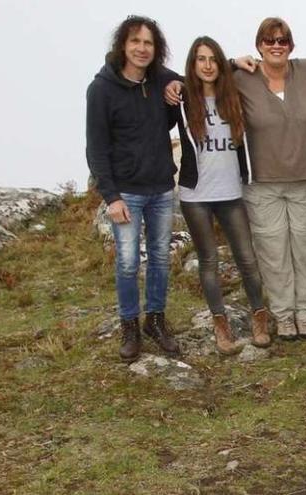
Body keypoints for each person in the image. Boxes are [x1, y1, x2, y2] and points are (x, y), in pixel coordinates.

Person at [169, 18, 306, 341]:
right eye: (269, 40)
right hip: (262, 183)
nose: (276, 45)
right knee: (273, 254)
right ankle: (284, 317)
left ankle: (305, 313)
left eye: (282, 40)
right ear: (259, 45)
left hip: (303, 180)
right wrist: (227, 62)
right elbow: (205, 74)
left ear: (291, 45)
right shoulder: (242, 78)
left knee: (303, 250)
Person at [86, 15, 181, 362]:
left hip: (160, 187)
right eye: (135, 41)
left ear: (156, 50)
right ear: (122, 46)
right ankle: (130, 326)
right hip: (125, 192)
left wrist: (177, 86)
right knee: (128, 263)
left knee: (159, 259)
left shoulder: (160, 80)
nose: (142, 48)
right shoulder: (101, 89)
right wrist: (110, 197)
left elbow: (191, 76)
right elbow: (95, 148)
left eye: (148, 43)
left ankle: (155, 321)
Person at [175, 36, 270, 355]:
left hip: (231, 192)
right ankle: (221, 327)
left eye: (213, 59)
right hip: (195, 195)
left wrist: (232, 63)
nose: (207, 65)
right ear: (192, 64)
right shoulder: (183, 98)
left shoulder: (232, 97)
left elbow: (226, 72)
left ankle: (260, 319)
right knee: (209, 261)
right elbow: (166, 79)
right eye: (200, 59)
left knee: (247, 258)